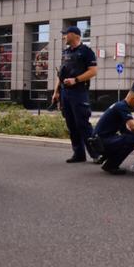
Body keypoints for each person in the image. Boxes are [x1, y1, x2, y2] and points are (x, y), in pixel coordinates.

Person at [51, 26, 100, 164]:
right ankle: (78, 154)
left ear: (74, 35)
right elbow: (60, 74)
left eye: (66, 34)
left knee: (82, 124)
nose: (64, 37)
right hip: (65, 93)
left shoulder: (86, 51)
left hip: (79, 92)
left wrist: (76, 79)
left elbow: (93, 71)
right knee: (71, 124)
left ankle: (96, 154)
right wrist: (56, 92)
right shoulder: (65, 52)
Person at [88, 84, 134, 175]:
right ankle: (111, 165)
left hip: (100, 140)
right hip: (101, 142)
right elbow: (133, 127)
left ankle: (107, 157)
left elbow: (124, 130)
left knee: (131, 137)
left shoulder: (120, 105)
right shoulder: (122, 107)